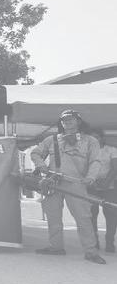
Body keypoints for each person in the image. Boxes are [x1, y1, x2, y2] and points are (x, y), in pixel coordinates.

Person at [31, 110, 105, 264]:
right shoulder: (51, 139)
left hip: (77, 184)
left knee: (83, 218)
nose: (67, 122)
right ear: (61, 123)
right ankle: (56, 247)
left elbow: (96, 161)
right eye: (64, 120)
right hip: (52, 183)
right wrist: (41, 165)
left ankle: (91, 252)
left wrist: (91, 177)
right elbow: (35, 153)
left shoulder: (90, 141)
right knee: (53, 217)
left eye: (71, 119)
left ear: (78, 121)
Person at [89, 129, 117, 253]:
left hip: (109, 187)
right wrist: (92, 181)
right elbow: (84, 168)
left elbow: (115, 168)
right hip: (92, 186)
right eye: (92, 137)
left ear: (102, 138)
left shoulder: (111, 150)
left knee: (111, 214)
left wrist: (106, 182)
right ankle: (94, 242)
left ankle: (110, 241)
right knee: (91, 214)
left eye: (97, 137)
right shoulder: (87, 152)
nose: (94, 140)